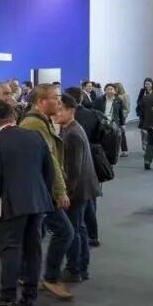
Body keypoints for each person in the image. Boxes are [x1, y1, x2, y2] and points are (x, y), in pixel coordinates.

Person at [0, 98, 55, 306]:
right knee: (33, 248)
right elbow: (49, 170)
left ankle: (8, 295)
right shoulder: (35, 136)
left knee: (10, 248)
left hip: (12, 203)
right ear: (13, 116)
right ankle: (30, 296)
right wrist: (43, 194)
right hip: (37, 200)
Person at [19, 84, 76, 300]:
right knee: (65, 232)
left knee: (36, 232)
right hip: (44, 188)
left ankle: (24, 273)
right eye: (55, 97)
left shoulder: (40, 121)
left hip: (40, 187)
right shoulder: (34, 124)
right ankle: (50, 277)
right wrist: (60, 191)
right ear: (41, 101)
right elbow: (50, 160)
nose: (59, 101)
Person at [56, 95, 101, 283]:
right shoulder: (73, 129)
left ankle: (74, 269)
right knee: (80, 229)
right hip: (84, 188)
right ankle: (81, 268)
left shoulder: (72, 133)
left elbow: (73, 170)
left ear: (71, 110)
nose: (56, 113)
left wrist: (65, 193)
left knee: (73, 231)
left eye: (60, 110)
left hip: (77, 191)